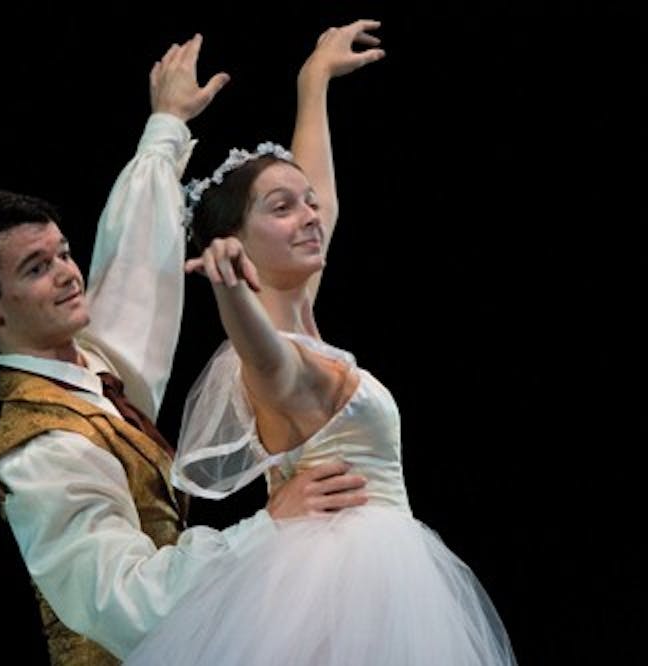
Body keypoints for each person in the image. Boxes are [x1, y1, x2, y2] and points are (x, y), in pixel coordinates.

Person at [0, 34, 369, 665]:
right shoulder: (40, 446)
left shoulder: (93, 366)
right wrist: (266, 530)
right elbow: (120, 600)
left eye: (63, 253)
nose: (68, 274)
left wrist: (167, 124)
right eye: (35, 269)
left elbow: (135, 264)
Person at [124, 19, 517, 665]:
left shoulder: (304, 314)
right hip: (346, 586)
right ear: (241, 243)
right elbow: (266, 362)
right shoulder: (281, 354)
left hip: (352, 571)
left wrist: (314, 81)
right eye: (282, 209)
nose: (310, 217)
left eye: (307, 204)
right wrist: (229, 290)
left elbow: (320, 195)